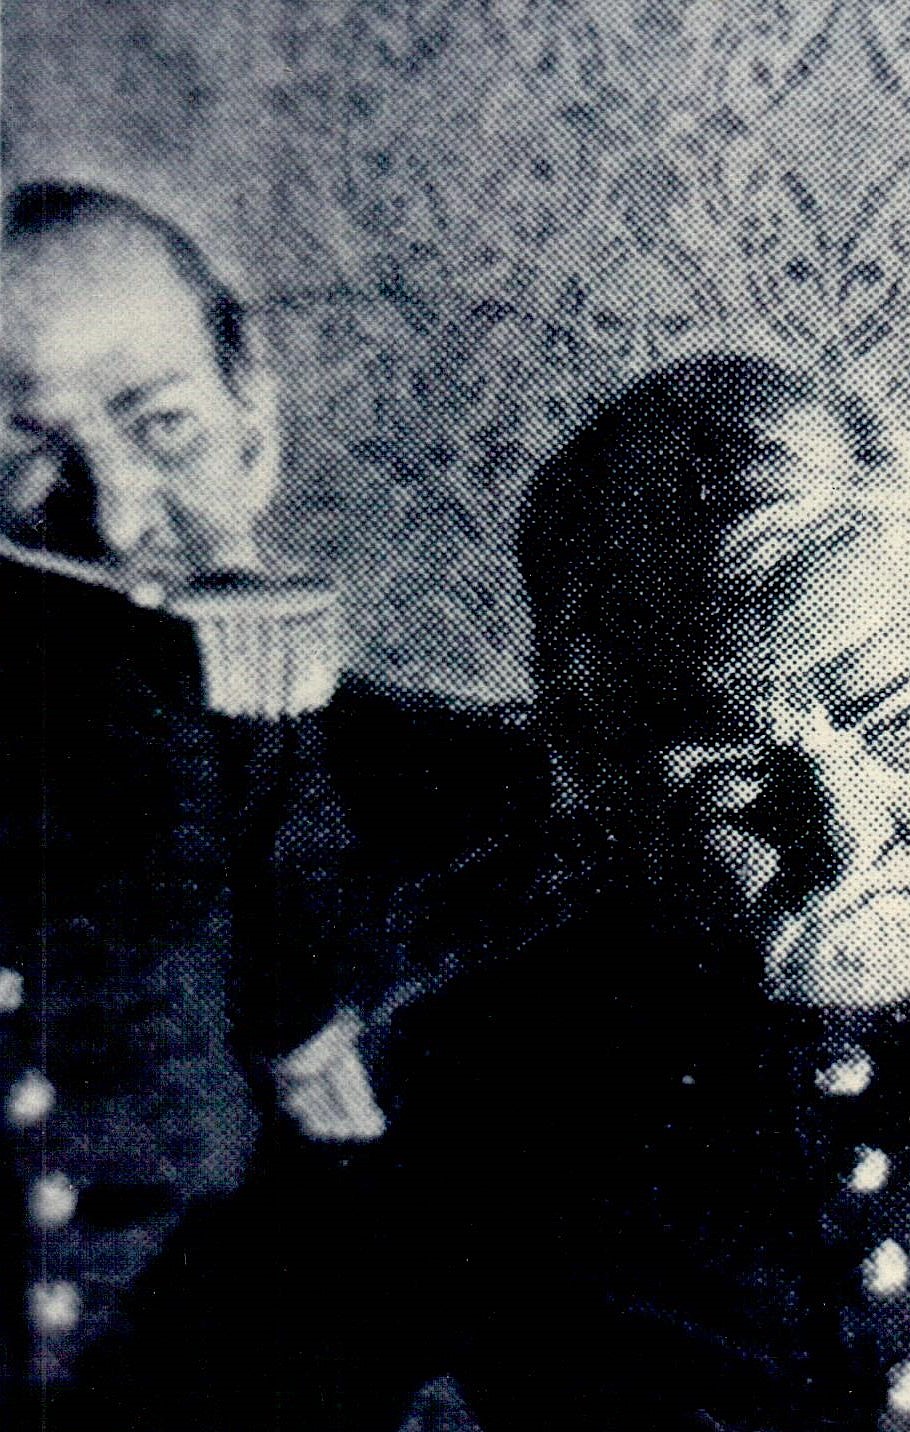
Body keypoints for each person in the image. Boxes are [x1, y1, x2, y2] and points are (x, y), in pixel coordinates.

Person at [67, 355, 910, 1431]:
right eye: (735, 773)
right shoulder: (472, 1042)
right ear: (589, 765)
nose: (845, 838)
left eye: (890, 716)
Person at [0, 182, 545, 1414]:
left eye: (164, 426)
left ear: (255, 416)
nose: (117, 516)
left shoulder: (455, 797)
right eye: (26, 457)